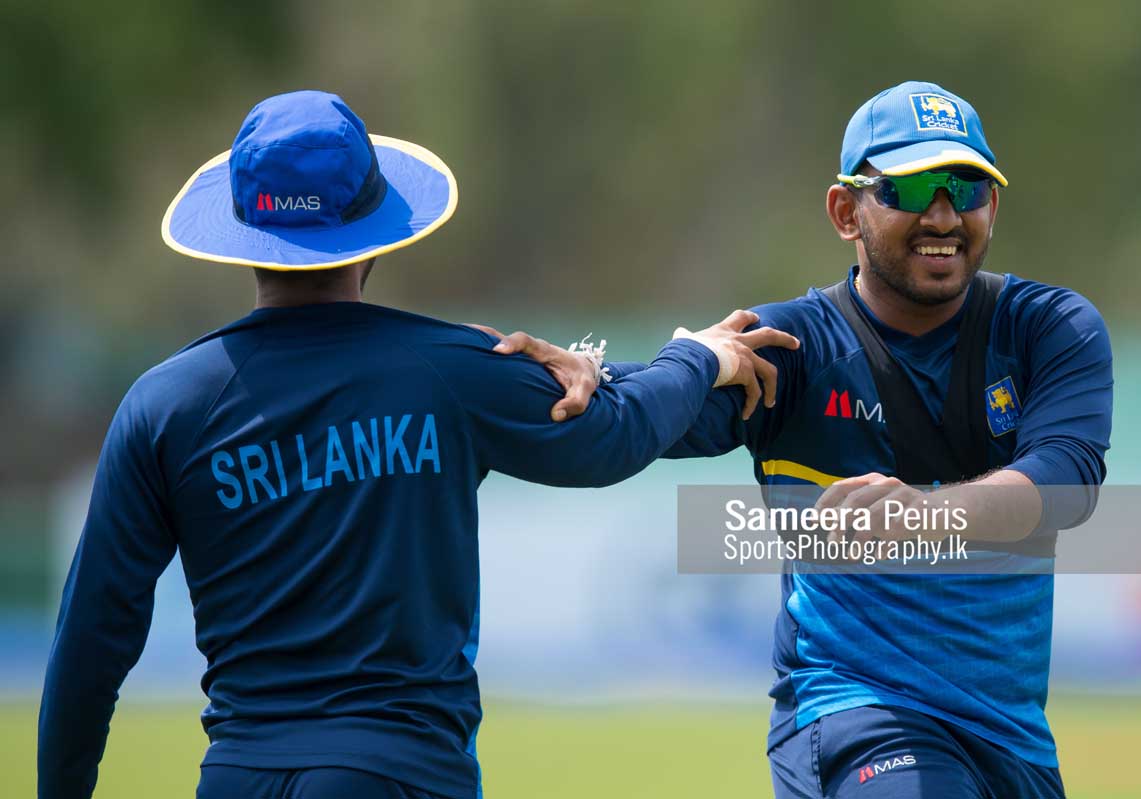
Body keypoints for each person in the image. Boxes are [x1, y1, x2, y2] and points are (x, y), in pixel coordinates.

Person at [36, 90, 799, 799]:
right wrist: (696, 358)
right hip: (399, 773)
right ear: (374, 235)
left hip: (236, 774)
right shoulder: (450, 370)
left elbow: (90, 642)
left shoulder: (162, 404)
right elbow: (613, 436)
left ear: (245, 235)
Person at [491, 81, 1113, 798]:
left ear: (992, 207)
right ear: (846, 211)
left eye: (966, 189)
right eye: (910, 190)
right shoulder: (790, 347)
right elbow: (619, 417)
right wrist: (550, 374)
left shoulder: (1048, 328)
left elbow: (1066, 479)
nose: (942, 214)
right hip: (858, 717)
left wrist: (924, 513)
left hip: (1013, 737)